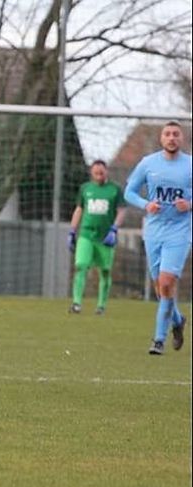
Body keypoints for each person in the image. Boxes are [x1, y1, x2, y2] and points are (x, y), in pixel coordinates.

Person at [124, 120, 192, 355]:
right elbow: (129, 192)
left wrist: (189, 205)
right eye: (167, 134)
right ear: (161, 138)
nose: (172, 137)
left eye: (176, 134)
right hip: (154, 232)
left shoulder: (190, 165)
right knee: (161, 289)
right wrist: (146, 204)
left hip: (180, 232)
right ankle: (178, 320)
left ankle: (158, 340)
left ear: (181, 139)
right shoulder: (148, 163)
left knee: (166, 283)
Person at [67, 159, 126, 315]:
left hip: (105, 238)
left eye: (101, 172)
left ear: (106, 172)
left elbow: (121, 211)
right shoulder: (85, 189)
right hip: (86, 235)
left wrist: (114, 229)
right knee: (81, 265)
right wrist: (72, 230)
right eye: (96, 172)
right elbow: (79, 209)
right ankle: (76, 303)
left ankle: (101, 305)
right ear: (91, 173)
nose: (99, 175)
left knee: (105, 271)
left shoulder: (115, 190)